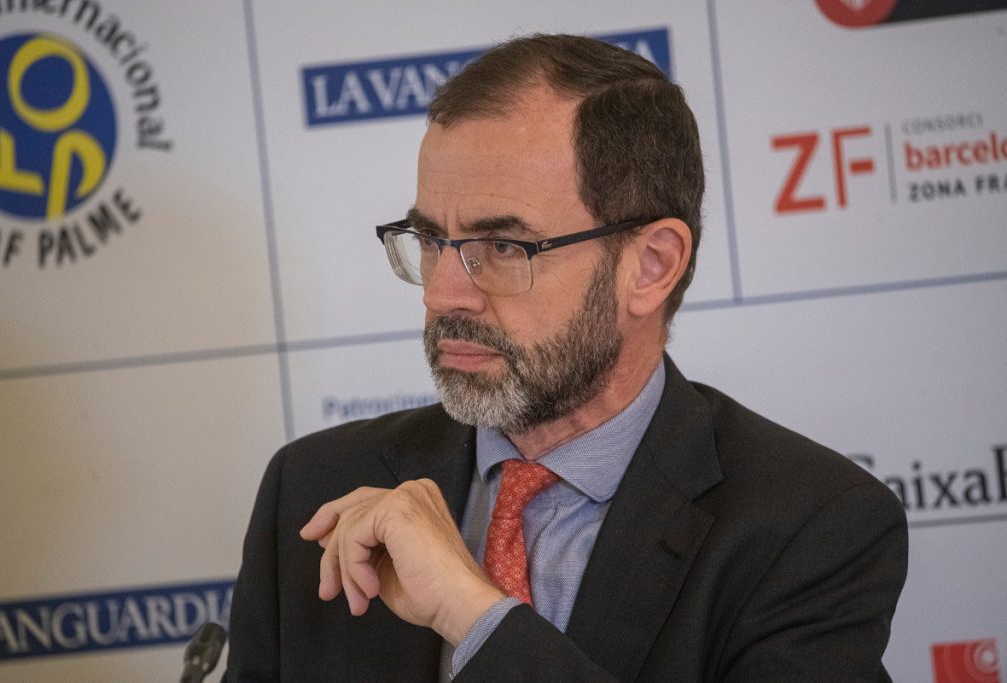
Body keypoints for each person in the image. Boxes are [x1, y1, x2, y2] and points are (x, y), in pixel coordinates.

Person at [226, 34, 908, 681]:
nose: (442, 294)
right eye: (431, 240)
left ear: (651, 266)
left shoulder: (808, 526)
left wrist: (477, 617)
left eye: (502, 246)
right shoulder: (314, 486)